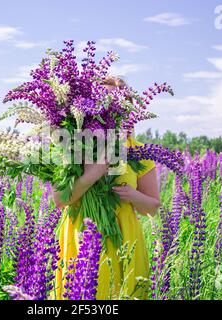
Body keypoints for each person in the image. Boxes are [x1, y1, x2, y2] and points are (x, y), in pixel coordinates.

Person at [52, 76, 161, 300]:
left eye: (119, 108)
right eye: (104, 106)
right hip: (79, 237)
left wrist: (134, 196)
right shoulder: (73, 145)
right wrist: (92, 174)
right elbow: (59, 200)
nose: (110, 115)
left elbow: (152, 208)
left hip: (124, 238)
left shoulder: (139, 152)